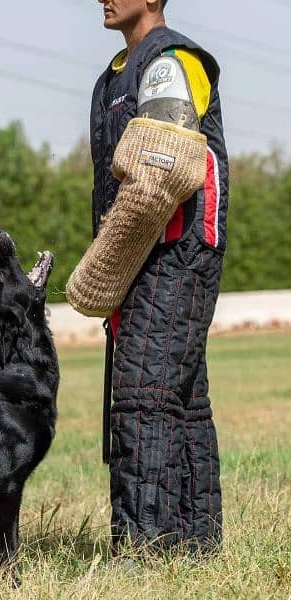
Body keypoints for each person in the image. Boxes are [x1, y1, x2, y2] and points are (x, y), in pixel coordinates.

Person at [65, 0, 228, 555]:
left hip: (174, 251)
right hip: (141, 253)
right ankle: (195, 546)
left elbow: (160, 180)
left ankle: (143, 550)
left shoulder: (171, 61)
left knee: (142, 397)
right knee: (180, 397)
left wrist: (100, 270)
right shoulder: (111, 79)